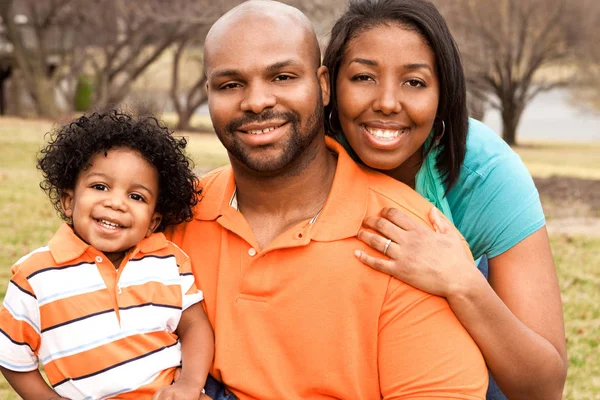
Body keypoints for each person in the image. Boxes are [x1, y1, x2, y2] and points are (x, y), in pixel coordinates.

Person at [167, 1, 488, 399]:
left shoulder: (409, 240)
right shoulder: (173, 217)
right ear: (209, 95)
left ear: (322, 86)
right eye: (231, 84)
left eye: (282, 76)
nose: (257, 101)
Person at [322, 0, 567, 399]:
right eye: (364, 77)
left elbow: (544, 388)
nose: (386, 101)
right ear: (328, 86)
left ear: (443, 94)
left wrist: (462, 282)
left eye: (414, 82)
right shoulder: (308, 159)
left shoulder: (486, 173)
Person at [0, 110, 214, 400]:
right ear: (69, 200)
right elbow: (11, 357)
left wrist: (189, 384)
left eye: (136, 196)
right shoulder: (34, 276)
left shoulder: (168, 260)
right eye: (100, 186)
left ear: (152, 221)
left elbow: (194, 325)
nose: (116, 203)